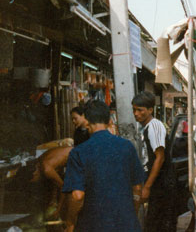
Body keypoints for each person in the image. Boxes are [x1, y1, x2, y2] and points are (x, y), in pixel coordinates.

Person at [62, 100, 144, 232]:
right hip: (127, 224)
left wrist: (70, 222)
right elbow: (138, 188)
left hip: (92, 225)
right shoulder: (127, 147)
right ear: (109, 121)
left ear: (87, 121)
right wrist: (130, 215)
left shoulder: (78, 152)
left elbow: (77, 196)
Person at [132, 91, 174, 231]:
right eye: (134, 110)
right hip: (157, 184)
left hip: (162, 185)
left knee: (157, 224)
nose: (136, 114)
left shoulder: (154, 126)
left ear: (150, 110)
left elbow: (160, 157)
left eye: (140, 110)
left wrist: (147, 187)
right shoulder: (146, 128)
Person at [31, 146, 73, 219]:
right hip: (73, 153)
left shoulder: (46, 169)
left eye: (34, 180)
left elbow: (64, 188)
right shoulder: (40, 162)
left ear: (35, 173)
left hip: (79, 156)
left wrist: (58, 210)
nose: (37, 181)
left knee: (72, 195)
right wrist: (53, 199)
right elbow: (55, 180)